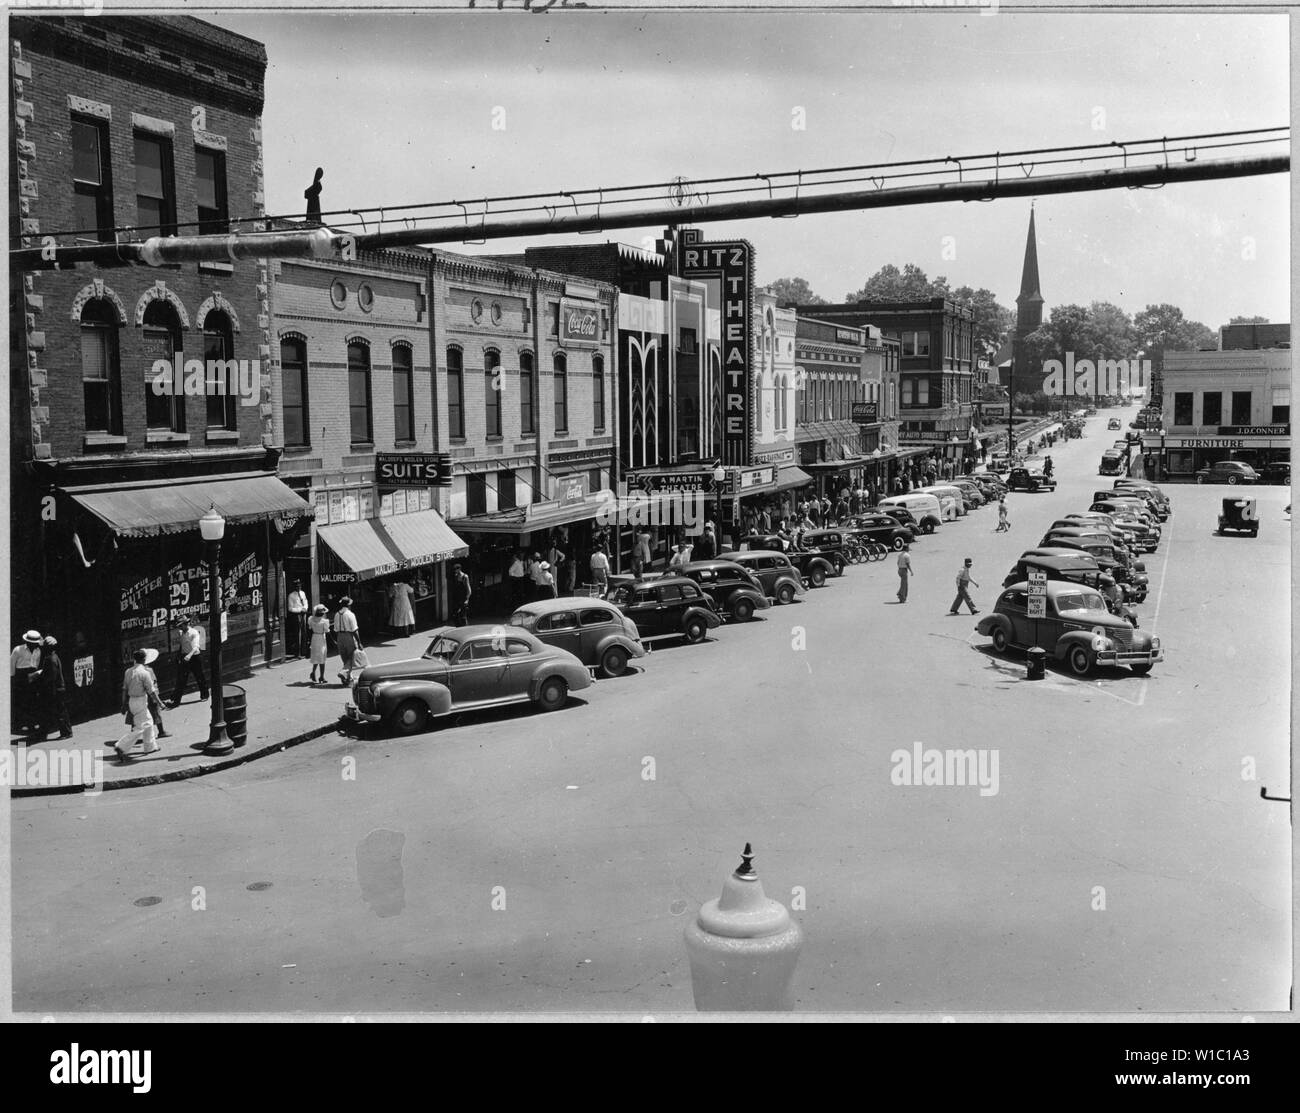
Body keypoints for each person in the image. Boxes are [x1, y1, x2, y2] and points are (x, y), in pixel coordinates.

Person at [117, 649, 159, 760]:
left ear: (134, 659)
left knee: (148, 722)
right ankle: (121, 746)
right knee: (141, 727)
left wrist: (123, 705)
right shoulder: (145, 673)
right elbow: (152, 691)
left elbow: (124, 690)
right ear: (144, 659)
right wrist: (160, 702)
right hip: (141, 700)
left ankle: (150, 747)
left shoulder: (128, 671)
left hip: (132, 701)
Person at [33, 636, 73, 741]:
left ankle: (65, 732)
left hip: (55, 690)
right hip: (58, 688)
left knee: (59, 712)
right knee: (61, 711)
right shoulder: (54, 657)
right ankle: (66, 732)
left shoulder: (50, 659)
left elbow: (52, 677)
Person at [168, 616, 208, 709]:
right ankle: (176, 700)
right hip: (184, 656)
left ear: (186, 624)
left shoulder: (193, 633)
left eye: (181, 625)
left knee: (199, 676)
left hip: (194, 657)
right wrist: (179, 655)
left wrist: (188, 656)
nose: (179, 628)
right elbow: (182, 646)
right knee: (181, 679)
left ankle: (204, 694)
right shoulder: (182, 633)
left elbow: (195, 647)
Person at [10, 629, 43, 736]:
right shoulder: (18, 650)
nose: (34, 645)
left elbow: (36, 664)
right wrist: (13, 678)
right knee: (21, 700)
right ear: (27, 642)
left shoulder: (38, 651)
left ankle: (31, 723)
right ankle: (20, 724)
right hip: (20, 676)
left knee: (32, 700)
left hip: (32, 675)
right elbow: (11, 664)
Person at [141, 647, 170, 738]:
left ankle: (135, 735)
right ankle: (161, 731)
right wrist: (158, 700)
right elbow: (153, 685)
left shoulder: (135, 670)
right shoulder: (149, 670)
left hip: (141, 696)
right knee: (156, 713)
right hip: (151, 695)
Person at [333, 596, 361, 686]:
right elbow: (355, 630)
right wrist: (359, 642)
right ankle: (344, 672)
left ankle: (348, 679)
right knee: (352, 657)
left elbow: (335, 629)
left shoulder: (337, 614)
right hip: (349, 636)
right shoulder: (350, 614)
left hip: (340, 636)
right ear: (348, 605)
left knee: (345, 658)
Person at [307, 604, 331, 686]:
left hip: (314, 638)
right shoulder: (324, 621)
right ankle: (321, 676)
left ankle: (313, 673)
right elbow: (327, 630)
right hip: (321, 638)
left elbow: (310, 628)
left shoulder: (311, 619)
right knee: (322, 657)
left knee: (316, 657)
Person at [287, 580, 309, 658]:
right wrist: (300, 610)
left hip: (304, 614)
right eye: (297, 586)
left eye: (299, 585)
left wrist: (305, 608)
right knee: (298, 633)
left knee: (304, 632)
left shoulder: (303, 593)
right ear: (294, 586)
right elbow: (290, 608)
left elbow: (306, 602)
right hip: (297, 615)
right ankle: (298, 653)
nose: (298, 587)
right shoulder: (291, 595)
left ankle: (304, 651)